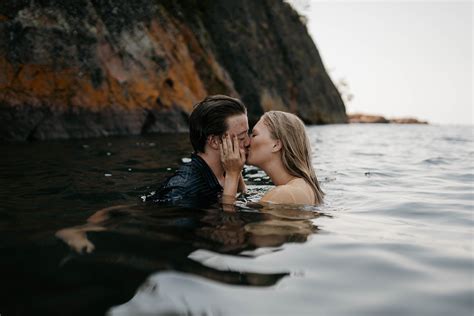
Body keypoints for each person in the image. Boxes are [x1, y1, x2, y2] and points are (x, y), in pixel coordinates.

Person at [56, 95, 250, 253]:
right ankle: (78, 231)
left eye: (248, 134)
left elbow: (241, 197)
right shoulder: (184, 187)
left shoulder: (226, 172)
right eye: (242, 137)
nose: (249, 142)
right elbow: (228, 223)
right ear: (215, 142)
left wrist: (235, 172)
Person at [220, 110, 324, 205]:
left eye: (254, 135)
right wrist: (236, 171)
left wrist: (232, 174)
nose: (247, 142)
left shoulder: (282, 194)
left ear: (276, 145)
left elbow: (229, 223)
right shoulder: (301, 187)